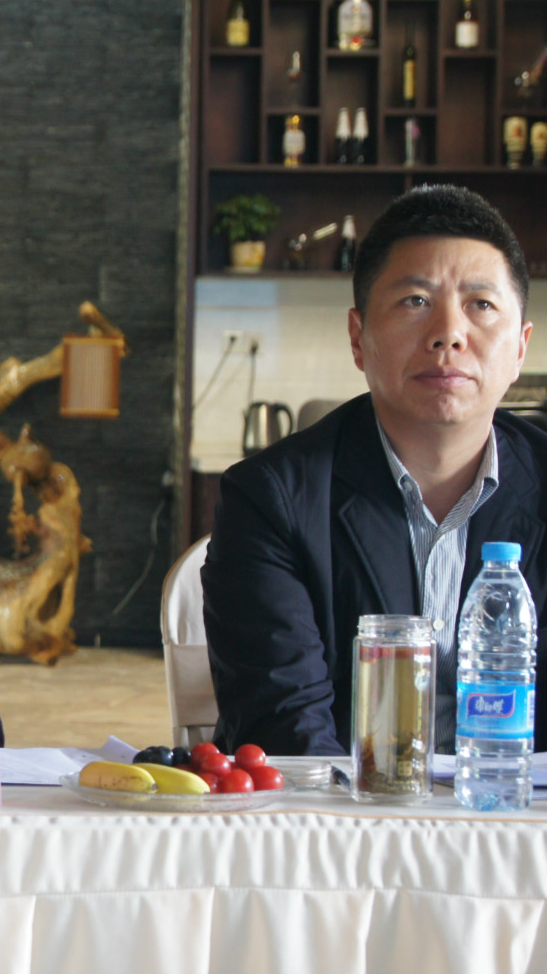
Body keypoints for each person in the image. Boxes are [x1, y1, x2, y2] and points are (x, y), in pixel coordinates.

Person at [202, 184, 546, 755]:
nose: (449, 333)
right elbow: (288, 735)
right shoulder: (271, 499)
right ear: (358, 338)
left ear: (520, 349)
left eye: (481, 305)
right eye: (415, 301)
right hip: (342, 810)